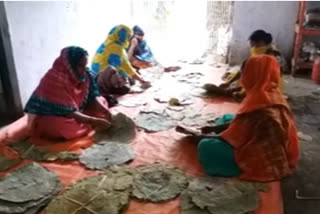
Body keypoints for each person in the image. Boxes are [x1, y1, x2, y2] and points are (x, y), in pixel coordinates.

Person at [197, 55, 299, 181]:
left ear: (252, 75)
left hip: (263, 159)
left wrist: (202, 136)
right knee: (227, 117)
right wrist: (215, 128)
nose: (242, 76)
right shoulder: (272, 94)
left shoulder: (258, 109)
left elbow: (232, 138)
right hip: (278, 149)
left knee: (205, 146)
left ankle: (233, 166)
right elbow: (243, 124)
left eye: (244, 72)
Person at [24, 46, 112, 140]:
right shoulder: (55, 79)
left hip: (77, 110)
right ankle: (86, 125)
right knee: (59, 127)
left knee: (102, 101)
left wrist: (106, 111)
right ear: (70, 65)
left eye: (85, 65)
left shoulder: (85, 75)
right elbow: (69, 112)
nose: (84, 69)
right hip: (52, 115)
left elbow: (93, 96)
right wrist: (93, 121)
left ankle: (85, 122)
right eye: (80, 66)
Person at [212, 30, 286, 101]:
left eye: (254, 45)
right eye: (252, 45)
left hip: (267, 86)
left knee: (242, 87)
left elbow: (245, 71)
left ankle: (238, 92)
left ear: (260, 42)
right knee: (232, 77)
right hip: (272, 86)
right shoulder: (268, 50)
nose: (253, 47)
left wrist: (228, 83)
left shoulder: (269, 55)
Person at [91, 25, 151, 96]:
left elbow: (126, 66)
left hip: (95, 79)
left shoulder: (107, 44)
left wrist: (139, 79)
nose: (129, 39)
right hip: (103, 80)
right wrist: (140, 80)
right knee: (127, 84)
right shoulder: (116, 48)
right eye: (128, 37)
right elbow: (124, 68)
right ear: (123, 36)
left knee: (131, 79)